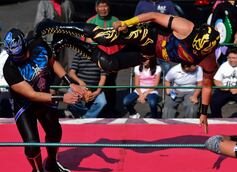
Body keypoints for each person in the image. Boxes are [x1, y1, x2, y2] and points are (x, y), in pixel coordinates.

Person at [35, 12, 220, 132]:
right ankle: (55, 25)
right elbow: (154, 16)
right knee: (105, 38)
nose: (192, 53)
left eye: (197, 53)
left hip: (147, 52)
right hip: (147, 34)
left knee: (108, 64)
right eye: (192, 48)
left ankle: (67, 40)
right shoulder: (185, 26)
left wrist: (203, 112)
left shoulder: (208, 60)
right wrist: (126, 22)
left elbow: (206, 84)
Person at [2, 28, 85, 172]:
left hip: (45, 99)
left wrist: (70, 82)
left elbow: (52, 62)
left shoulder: (39, 45)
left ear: (26, 45)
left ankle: (52, 163)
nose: (21, 59)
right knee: (32, 144)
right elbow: (32, 95)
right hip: (25, 105)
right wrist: (62, 98)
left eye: (23, 54)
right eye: (17, 57)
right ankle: (37, 171)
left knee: (55, 132)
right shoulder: (10, 68)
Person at [86, 0, 123, 117]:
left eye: (105, 6)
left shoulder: (116, 21)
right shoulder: (91, 21)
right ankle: (95, 108)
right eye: (100, 6)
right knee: (95, 82)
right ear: (96, 8)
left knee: (111, 83)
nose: (103, 9)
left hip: (112, 59)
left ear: (109, 7)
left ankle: (111, 108)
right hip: (96, 58)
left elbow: (122, 41)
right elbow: (85, 41)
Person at [134, 0, 178, 77]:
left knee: (165, 63)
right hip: (146, 40)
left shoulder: (168, 3)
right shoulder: (142, 3)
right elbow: (135, 19)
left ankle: (167, 84)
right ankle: (143, 83)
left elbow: (175, 19)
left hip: (163, 39)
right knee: (144, 62)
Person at [34, 0, 74, 70]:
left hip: (64, 39)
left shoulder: (66, 3)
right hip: (49, 40)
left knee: (64, 63)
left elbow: (70, 19)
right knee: (50, 63)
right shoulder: (44, 3)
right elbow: (39, 24)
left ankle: (63, 79)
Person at [67, 53, 107, 118]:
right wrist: (80, 81)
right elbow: (71, 73)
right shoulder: (79, 54)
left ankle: (86, 117)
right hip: (79, 87)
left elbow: (103, 76)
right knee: (70, 94)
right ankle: (86, 112)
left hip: (95, 89)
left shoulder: (101, 56)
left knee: (102, 102)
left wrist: (98, 91)